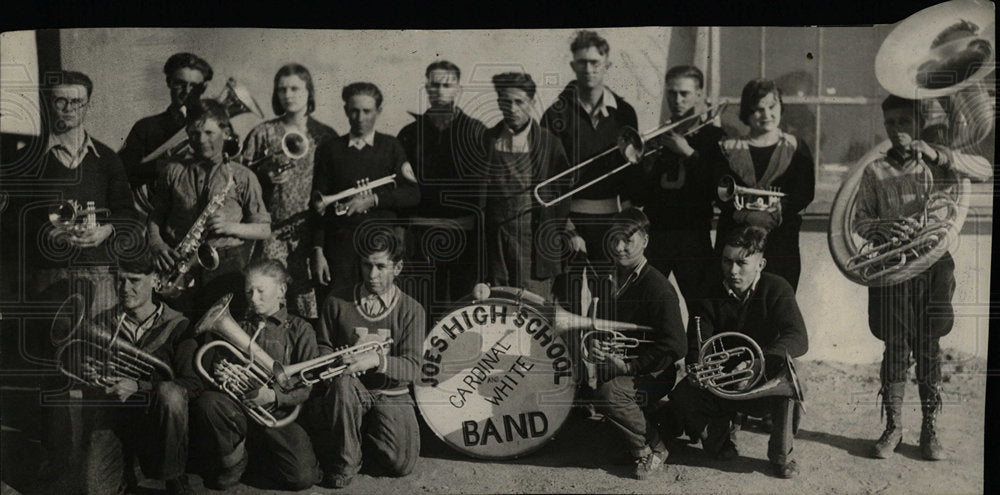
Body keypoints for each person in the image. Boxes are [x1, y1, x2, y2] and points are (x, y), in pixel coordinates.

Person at [9, 70, 135, 478]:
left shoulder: (107, 158)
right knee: (54, 367)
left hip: (98, 276)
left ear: (88, 105)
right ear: (49, 103)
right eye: (60, 101)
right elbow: (10, 223)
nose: (67, 110)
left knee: (99, 362)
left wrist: (106, 228)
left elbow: (129, 215)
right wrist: (48, 233)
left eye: (75, 102)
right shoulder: (28, 159)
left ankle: (100, 461)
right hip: (48, 278)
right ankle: (61, 462)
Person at [857, 95, 991, 461]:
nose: (897, 131)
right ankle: (894, 426)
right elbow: (860, 220)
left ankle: (930, 426)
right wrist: (882, 229)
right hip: (894, 268)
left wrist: (937, 155)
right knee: (895, 346)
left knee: (929, 344)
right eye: (890, 124)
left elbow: (986, 170)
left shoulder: (941, 162)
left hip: (933, 264)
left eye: (904, 122)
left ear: (918, 124)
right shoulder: (875, 170)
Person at [669, 226, 808, 479]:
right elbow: (697, 344)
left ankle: (781, 456)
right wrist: (696, 369)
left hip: (762, 377)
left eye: (742, 263)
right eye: (726, 261)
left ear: (760, 264)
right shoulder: (707, 293)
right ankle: (722, 439)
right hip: (723, 381)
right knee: (682, 395)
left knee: (793, 375)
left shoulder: (777, 287)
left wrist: (758, 363)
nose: (732, 271)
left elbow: (798, 337)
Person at [190, 259, 323, 490]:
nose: (253, 298)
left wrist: (272, 397)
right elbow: (221, 363)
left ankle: (257, 457)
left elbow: (307, 385)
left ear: (281, 290)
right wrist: (223, 372)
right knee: (208, 402)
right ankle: (234, 460)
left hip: (279, 415)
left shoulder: (301, 330)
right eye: (249, 291)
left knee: (302, 478)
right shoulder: (240, 325)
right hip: (239, 408)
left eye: (261, 290)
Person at [308, 228, 424, 489]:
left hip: (391, 392)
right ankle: (346, 460)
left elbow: (414, 367)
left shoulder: (412, 310)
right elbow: (323, 346)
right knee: (342, 385)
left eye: (381, 267)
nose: (372, 275)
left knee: (400, 464)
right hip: (350, 390)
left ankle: (360, 434)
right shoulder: (337, 301)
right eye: (367, 265)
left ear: (398, 267)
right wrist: (338, 363)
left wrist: (376, 360)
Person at [80, 252, 199, 495]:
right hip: (116, 418)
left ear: (156, 281)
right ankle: (128, 468)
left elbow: (193, 384)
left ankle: (174, 475)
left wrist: (139, 386)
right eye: (119, 280)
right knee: (95, 490)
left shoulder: (179, 325)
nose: (124, 288)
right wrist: (89, 373)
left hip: (161, 422)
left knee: (171, 394)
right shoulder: (103, 322)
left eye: (134, 280)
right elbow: (92, 381)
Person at [586, 208, 686, 480]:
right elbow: (594, 324)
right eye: (615, 239)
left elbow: (676, 345)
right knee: (603, 443)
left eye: (628, 240)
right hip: (619, 367)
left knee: (609, 395)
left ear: (644, 241)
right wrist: (593, 343)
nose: (619, 248)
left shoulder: (658, 287)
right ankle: (655, 416)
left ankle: (651, 448)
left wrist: (630, 366)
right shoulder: (607, 279)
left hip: (652, 371)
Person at [148, 98, 271, 317]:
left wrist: (230, 227)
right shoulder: (172, 170)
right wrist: (157, 245)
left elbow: (263, 229)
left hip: (226, 267)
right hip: (177, 266)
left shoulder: (242, 176)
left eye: (209, 133)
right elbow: (156, 216)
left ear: (225, 132)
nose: (201, 140)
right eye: (194, 134)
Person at [242, 63, 338, 321]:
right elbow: (240, 180)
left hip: (310, 232)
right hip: (272, 232)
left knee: (308, 304)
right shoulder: (262, 132)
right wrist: (264, 175)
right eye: (282, 89)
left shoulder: (325, 135)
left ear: (309, 92)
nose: (288, 95)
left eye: (295, 88)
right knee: (267, 299)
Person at [311, 82, 419, 298]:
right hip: (340, 249)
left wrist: (373, 200)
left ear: (378, 111)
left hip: (381, 248)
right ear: (345, 111)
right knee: (340, 306)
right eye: (354, 111)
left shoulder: (391, 147)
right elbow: (317, 207)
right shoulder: (330, 149)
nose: (360, 118)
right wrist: (318, 251)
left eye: (367, 111)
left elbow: (413, 194)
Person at [396, 60, 487, 314]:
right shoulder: (409, 134)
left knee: (460, 308)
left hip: (464, 239)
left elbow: (483, 197)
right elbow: (402, 189)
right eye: (434, 85)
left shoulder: (476, 132)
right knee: (422, 306)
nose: (439, 91)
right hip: (420, 239)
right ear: (426, 87)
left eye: (447, 85)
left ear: (458, 89)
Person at [541, 30, 639, 264]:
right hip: (567, 219)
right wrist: (567, 225)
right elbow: (546, 175)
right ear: (573, 65)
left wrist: (625, 222)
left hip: (612, 220)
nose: (588, 69)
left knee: (606, 292)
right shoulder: (555, 114)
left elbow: (630, 172)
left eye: (595, 62)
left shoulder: (624, 113)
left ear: (607, 65)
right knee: (567, 296)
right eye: (582, 62)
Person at [634, 65, 727, 312]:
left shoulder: (714, 137)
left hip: (693, 234)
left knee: (700, 306)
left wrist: (687, 152)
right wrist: (642, 163)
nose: (677, 100)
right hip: (656, 233)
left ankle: (699, 352)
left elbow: (719, 188)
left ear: (699, 94)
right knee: (647, 303)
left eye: (685, 93)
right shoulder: (655, 137)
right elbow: (640, 194)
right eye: (672, 93)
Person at [710, 78, 815, 291]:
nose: (766, 115)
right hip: (734, 242)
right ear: (747, 113)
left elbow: (804, 193)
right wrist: (748, 215)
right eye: (758, 109)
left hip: (779, 241)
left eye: (771, 107)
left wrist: (777, 211)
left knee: (776, 300)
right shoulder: (728, 148)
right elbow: (719, 193)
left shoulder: (795, 147)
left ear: (780, 106)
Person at [482, 71, 572, 301]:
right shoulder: (487, 139)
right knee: (498, 303)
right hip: (496, 243)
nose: (512, 108)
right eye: (506, 101)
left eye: (519, 102)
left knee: (534, 308)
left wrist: (555, 231)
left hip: (532, 243)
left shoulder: (549, 142)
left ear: (531, 103)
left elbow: (563, 194)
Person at [119, 53, 213, 220]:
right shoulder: (146, 127)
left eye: (195, 86)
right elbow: (121, 175)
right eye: (180, 84)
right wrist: (160, 166)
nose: (187, 92)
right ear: (169, 82)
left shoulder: (215, 126)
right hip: (159, 218)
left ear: (203, 88)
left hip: (206, 217)